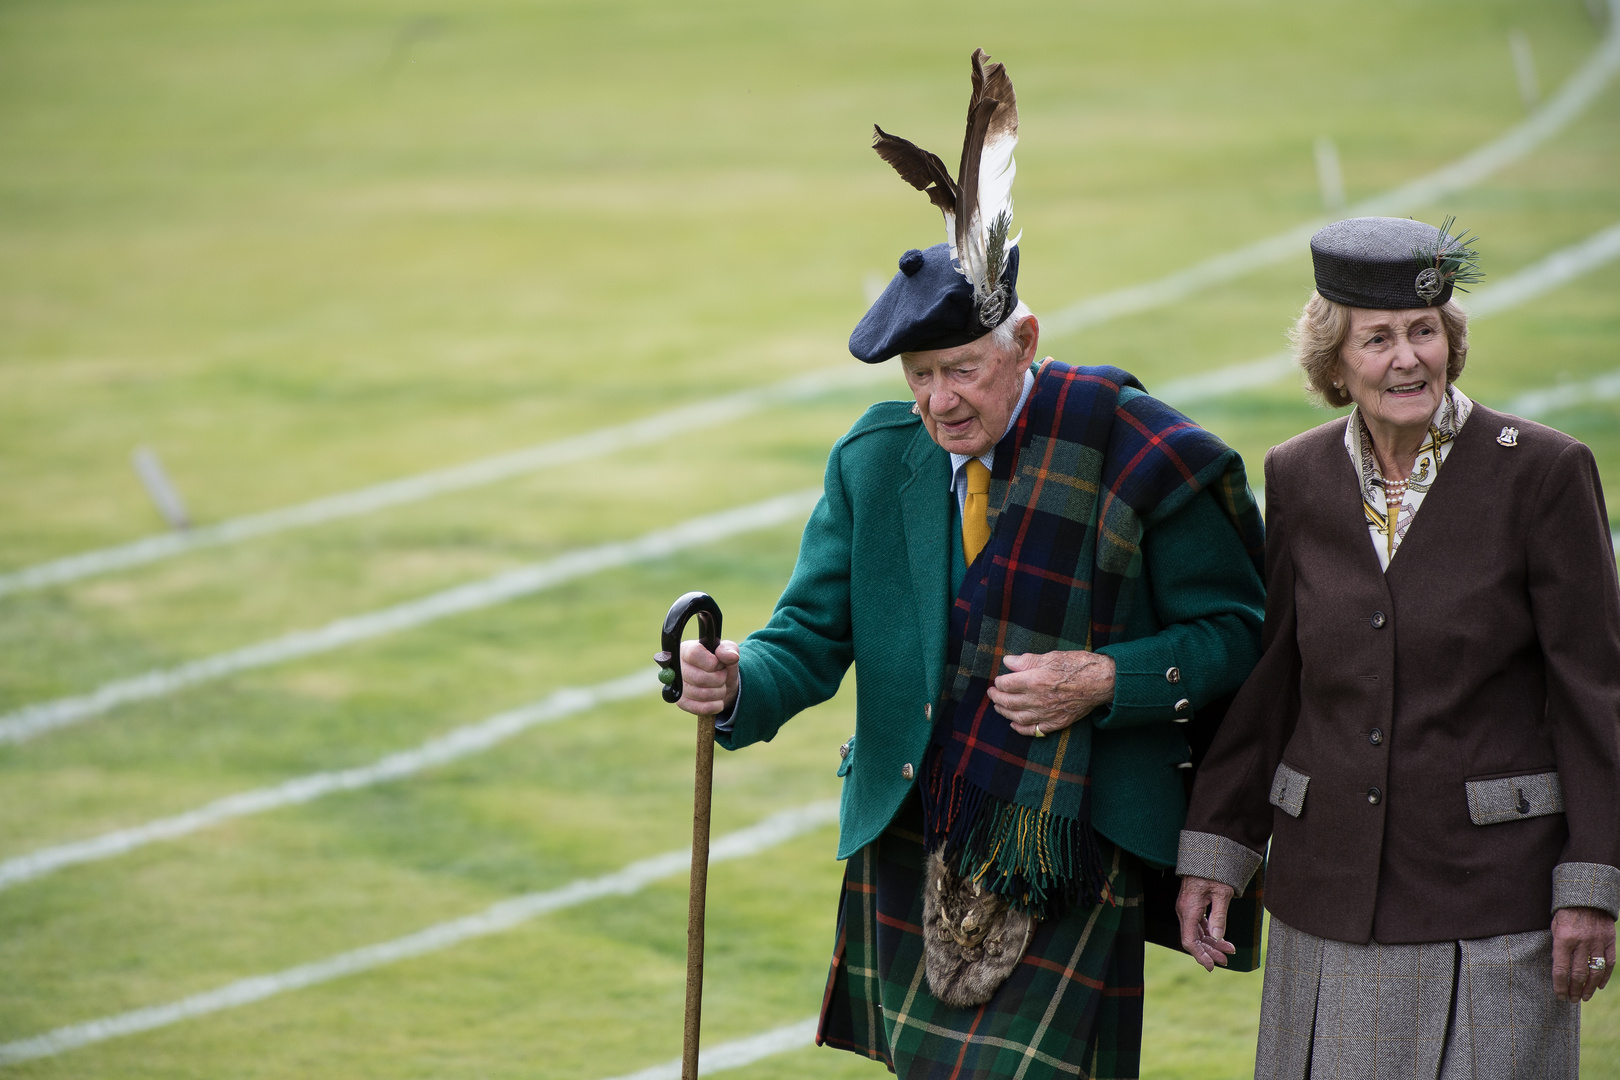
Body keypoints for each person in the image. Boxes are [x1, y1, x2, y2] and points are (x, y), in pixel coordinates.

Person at [674, 50, 1266, 1079]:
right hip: (916, 825)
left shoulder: (1138, 454)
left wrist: (1107, 680)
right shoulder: (875, 461)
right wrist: (735, 685)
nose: (941, 401)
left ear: (1024, 339)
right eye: (920, 376)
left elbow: (1236, 636)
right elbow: (811, 637)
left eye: (964, 370)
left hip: (1070, 838)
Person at [1175, 215, 1620, 1079]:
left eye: (1425, 332)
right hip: (1325, 895)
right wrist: (1216, 851)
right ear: (1333, 362)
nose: (1406, 359)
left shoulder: (1544, 472)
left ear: (1451, 340)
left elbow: (1594, 694)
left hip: (1494, 901)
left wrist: (1592, 886)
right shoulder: (1297, 476)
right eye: (1376, 339)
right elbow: (1274, 684)